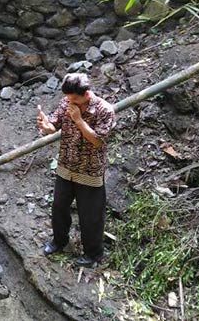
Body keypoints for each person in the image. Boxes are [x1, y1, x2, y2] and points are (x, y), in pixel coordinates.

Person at [37, 73, 115, 268]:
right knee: (59, 207)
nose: (69, 102)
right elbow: (54, 125)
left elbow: (98, 141)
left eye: (74, 99)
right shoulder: (67, 102)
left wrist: (79, 120)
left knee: (91, 215)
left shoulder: (104, 110)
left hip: (90, 170)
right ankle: (59, 241)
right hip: (66, 166)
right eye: (68, 98)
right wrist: (46, 126)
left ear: (87, 94)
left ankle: (93, 254)